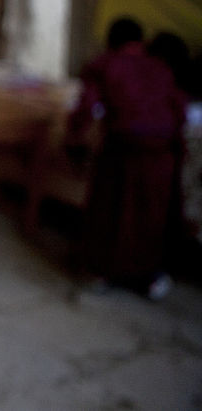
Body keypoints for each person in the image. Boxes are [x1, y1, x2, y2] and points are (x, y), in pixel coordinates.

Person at [69, 17, 187, 300]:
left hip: (123, 148)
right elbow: (178, 108)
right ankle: (150, 276)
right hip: (163, 151)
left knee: (111, 210)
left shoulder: (103, 65)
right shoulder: (159, 67)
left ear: (111, 40)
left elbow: (86, 108)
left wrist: (73, 142)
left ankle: (100, 272)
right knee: (150, 214)